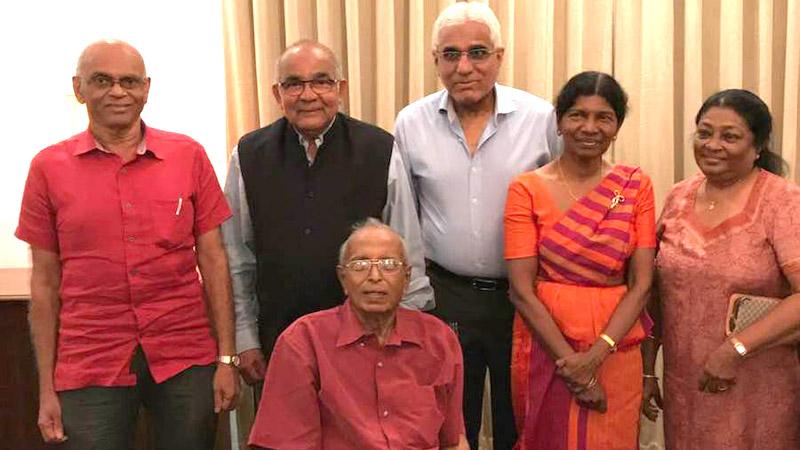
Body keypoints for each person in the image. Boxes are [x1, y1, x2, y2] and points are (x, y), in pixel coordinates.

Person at [15, 40, 238, 449]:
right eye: (102, 81)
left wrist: (227, 360)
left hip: (184, 353)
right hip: (91, 358)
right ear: (79, 88)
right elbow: (44, 285)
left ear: (146, 88)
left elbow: (214, 261)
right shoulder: (48, 168)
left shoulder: (188, 155)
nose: (117, 92)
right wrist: (46, 388)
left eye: (129, 81)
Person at [392, 4, 559, 448]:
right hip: (446, 298)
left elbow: (568, 200)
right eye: (450, 55)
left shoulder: (541, 119)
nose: (463, 67)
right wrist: (412, 298)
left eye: (477, 52)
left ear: (499, 57)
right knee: (449, 423)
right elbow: (403, 214)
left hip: (525, 299)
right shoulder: (411, 123)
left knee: (519, 421)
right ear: (436, 62)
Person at [222, 40, 432, 387]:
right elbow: (237, 257)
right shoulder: (248, 154)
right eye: (294, 84)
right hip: (278, 337)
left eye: (321, 81)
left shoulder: (379, 149)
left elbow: (408, 254)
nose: (308, 95)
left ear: (341, 89)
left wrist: (404, 333)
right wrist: (245, 338)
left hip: (368, 339)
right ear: (278, 93)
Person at [504, 71, 656, 449]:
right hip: (549, 343)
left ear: (617, 126)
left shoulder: (634, 186)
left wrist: (596, 355)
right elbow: (521, 290)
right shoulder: (527, 188)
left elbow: (642, 284)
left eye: (603, 117)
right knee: (549, 436)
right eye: (577, 115)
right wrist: (574, 367)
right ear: (558, 121)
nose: (590, 127)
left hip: (616, 346)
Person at [643, 89, 800, 449]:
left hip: (758, 383)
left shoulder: (782, 201)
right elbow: (656, 295)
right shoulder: (679, 196)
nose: (712, 144)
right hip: (687, 385)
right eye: (704, 132)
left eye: (729, 136)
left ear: (757, 146)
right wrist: (647, 370)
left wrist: (735, 350)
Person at [247, 219, 467, 450]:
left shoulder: (438, 340)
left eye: (389, 264)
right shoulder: (303, 341)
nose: (374, 276)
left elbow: (453, 442)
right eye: (360, 264)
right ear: (343, 279)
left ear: (407, 279)